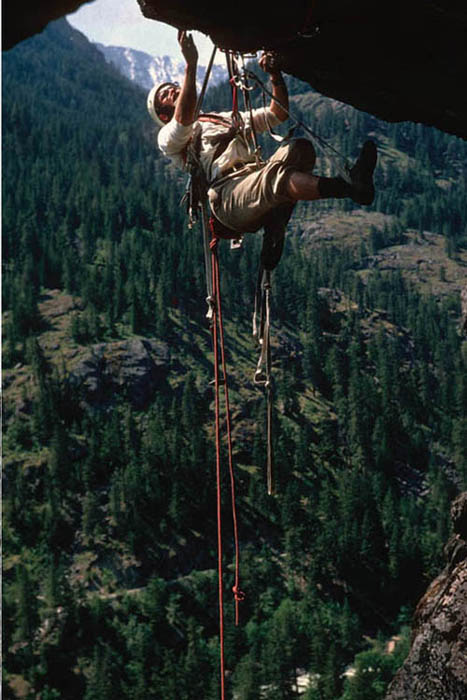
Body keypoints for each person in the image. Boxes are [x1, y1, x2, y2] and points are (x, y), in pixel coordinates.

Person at [147, 31, 377, 257]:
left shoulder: (221, 119)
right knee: (274, 178)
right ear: (163, 116)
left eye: (172, 87)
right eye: (165, 96)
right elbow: (184, 116)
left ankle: (275, 225)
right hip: (227, 194)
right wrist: (191, 65)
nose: (172, 90)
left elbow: (277, 114)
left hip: (251, 177)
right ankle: (347, 187)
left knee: (299, 149)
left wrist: (275, 76)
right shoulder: (168, 137)